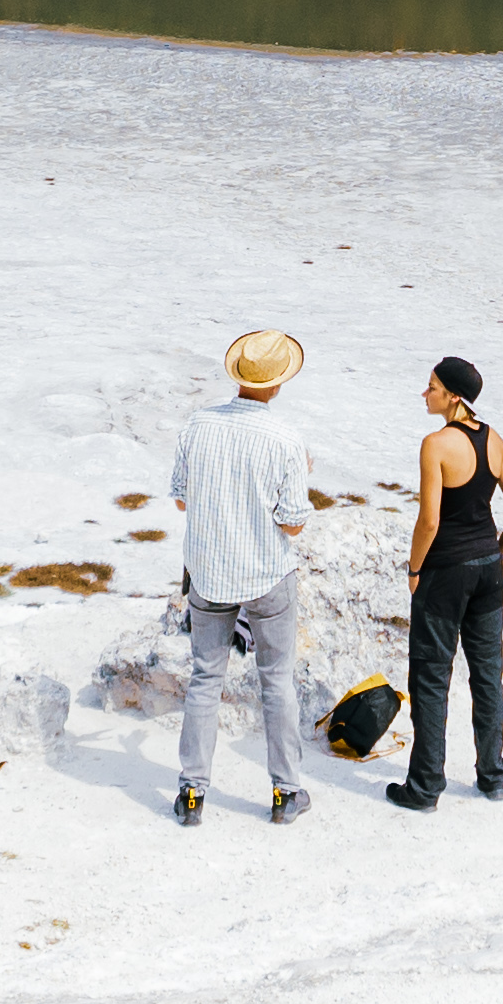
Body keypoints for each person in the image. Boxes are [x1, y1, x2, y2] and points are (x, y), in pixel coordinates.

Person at [163, 328, 320, 826]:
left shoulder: (198, 424)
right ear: (277, 384)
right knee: (276, 680)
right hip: (267, 573)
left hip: (208, 573)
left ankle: (191, 794)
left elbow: (183, 498)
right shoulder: (286, 439)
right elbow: (292, 522)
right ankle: (285, 792)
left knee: (205, 678)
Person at [385, 353, 503, 813]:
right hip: (488, 569)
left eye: (430, 387)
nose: (423, 394)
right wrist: (496, 553)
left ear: (453, 396)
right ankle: (492, 778)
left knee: (431, 676)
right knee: (488, 675)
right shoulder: (493, 439)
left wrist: (413, 569)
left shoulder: (435, 445)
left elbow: (429, 521)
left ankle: (425, 787)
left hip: (445, 574)